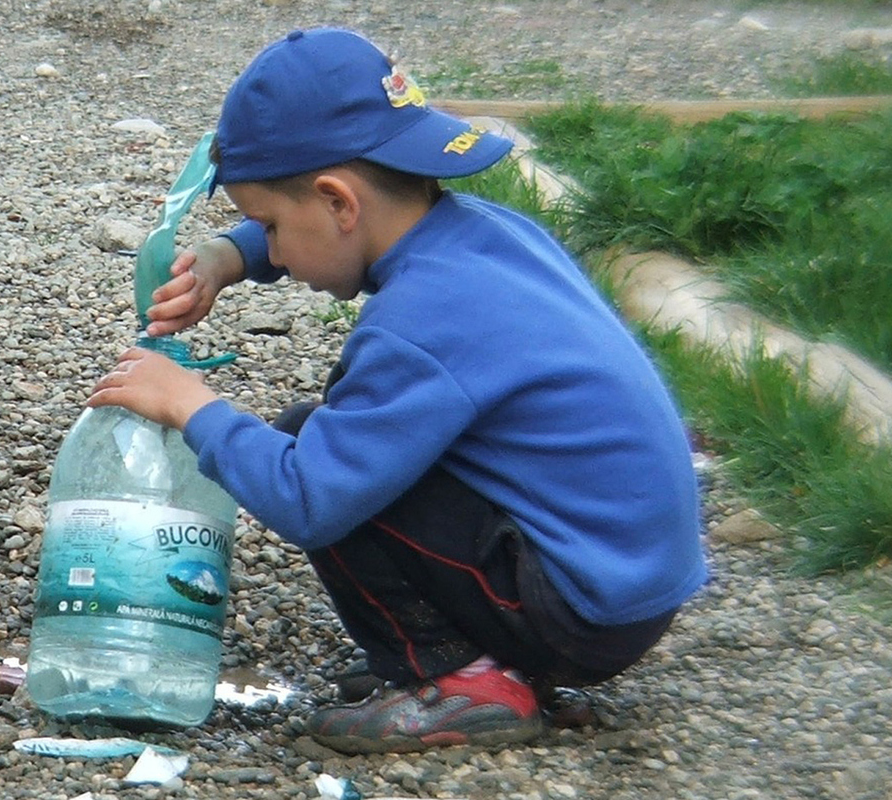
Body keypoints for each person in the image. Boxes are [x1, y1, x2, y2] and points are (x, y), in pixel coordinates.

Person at [88, 27, 706, 755]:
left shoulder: (418, 324)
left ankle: (467, 679)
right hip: (624, 580)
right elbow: (319, 214)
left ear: (338, 203)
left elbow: (312, 498)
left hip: (577, 611)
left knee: (306, 447)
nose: (275, 250)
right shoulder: (485, 236)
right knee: (341, 440)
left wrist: (191, 405)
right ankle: (490, 658)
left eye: (270, 227)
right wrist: (230, 255)